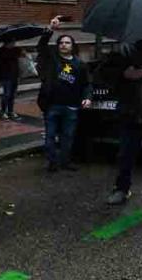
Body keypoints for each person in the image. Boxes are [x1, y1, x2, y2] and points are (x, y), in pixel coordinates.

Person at [37, 16, 92, 173]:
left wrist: (87, 98)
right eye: (61, 42)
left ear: (72, 46)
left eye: (67, 42)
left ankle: (65, 162)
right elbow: (41, 46)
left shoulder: (80, 65)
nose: (63, 45)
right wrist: (50, 29)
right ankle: (52, 162)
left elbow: (87, 84)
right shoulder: (52, 59)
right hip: (52, 105)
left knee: (68, 137)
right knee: (50, 136)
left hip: (71, 106)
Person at [106, 40, 142, 205]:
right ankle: (121, 189)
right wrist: (124, 74)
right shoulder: (127, 50)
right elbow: (104, 73)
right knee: (126, 155)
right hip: (132, 114)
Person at [0, 41, 23, 120]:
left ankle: (10, 111)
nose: (13, 43)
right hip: (6, 76)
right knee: (7, 94)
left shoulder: (16, 50)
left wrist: (20, 49)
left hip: (15, 75)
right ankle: (3, 111)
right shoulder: (2, 51)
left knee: (12, 94)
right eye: (12, 42)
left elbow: (21, 55)